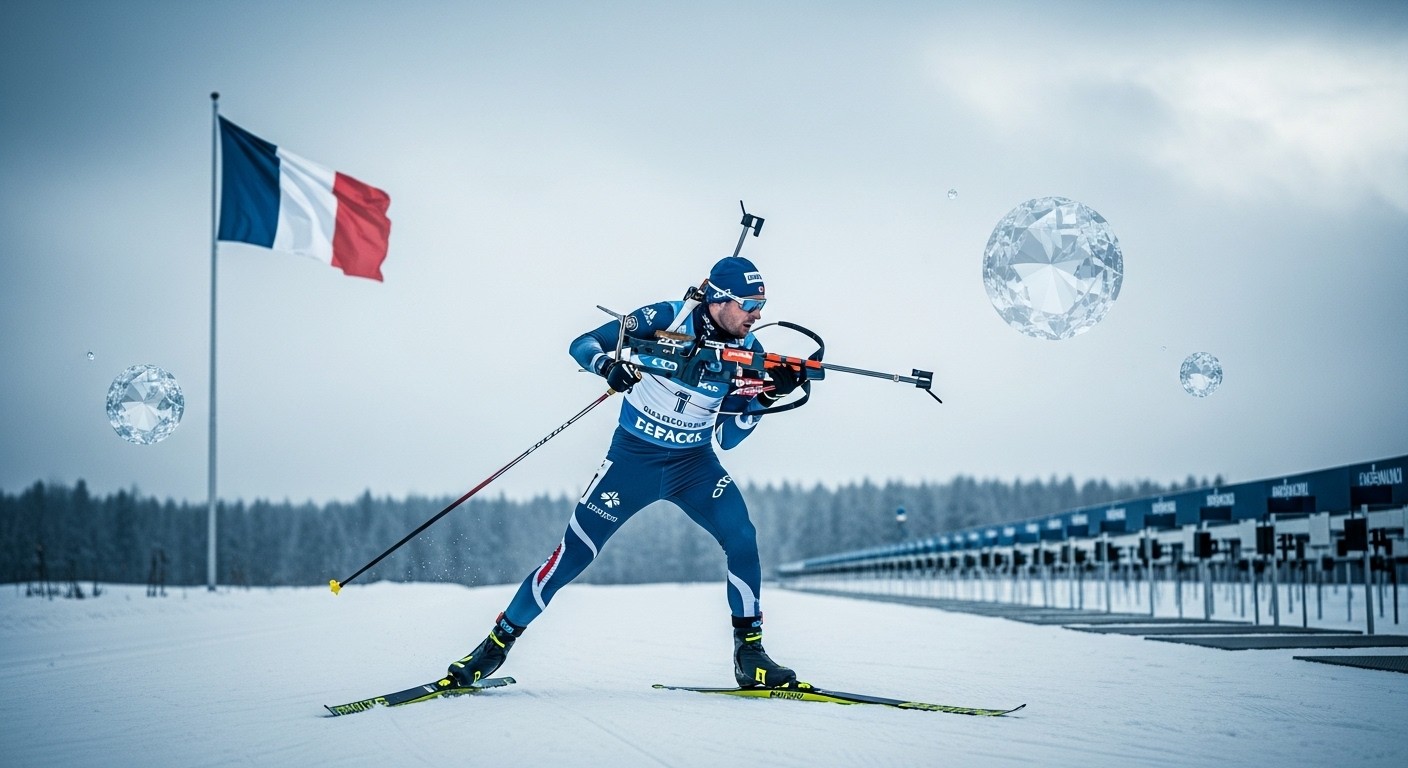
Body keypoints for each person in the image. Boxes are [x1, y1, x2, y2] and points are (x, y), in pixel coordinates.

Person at [447, 255, 808, 690]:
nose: (757, 315)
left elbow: (728, 438)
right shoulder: (666, 316)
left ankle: (750, 654)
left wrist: (764, 400)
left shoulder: (748, 352)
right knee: (574, 554)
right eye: (749, 304)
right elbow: (583, 343)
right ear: (718, 299)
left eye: (761, 306)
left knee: (742, 537)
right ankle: (493, 647)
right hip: (632, 461)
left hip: (694, 466)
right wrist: (606, 366)